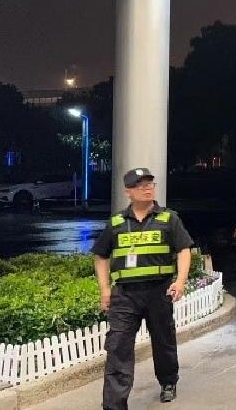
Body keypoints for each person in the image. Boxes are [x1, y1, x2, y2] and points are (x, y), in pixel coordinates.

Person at [92, 168, 194, 409]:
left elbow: (184, 250)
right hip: (125, 295)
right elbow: (100, 256)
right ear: (128, 192)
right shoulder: (116, 223)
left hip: (159, 291)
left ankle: (168, 381)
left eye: (150, 184)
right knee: (118, 346)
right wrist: (105, 289)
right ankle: (114, 405)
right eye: (141, 185)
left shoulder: (168, 219)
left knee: (163, 340)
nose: (148, 189)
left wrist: (180, 281)